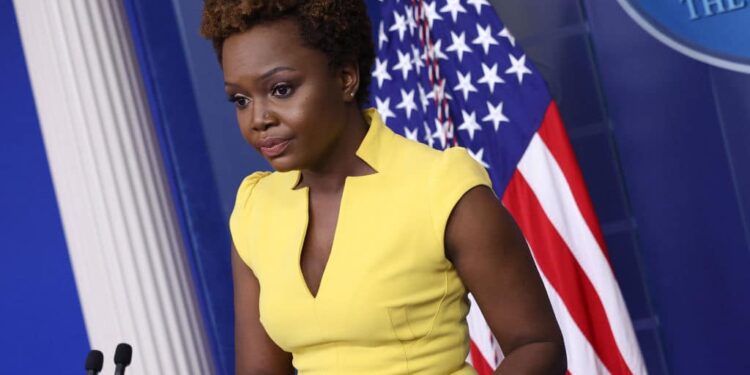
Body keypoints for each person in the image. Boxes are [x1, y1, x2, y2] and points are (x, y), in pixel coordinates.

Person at [200, 1, 565, 374]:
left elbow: (537, 345)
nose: (258, 119)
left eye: (280, 89)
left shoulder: (441, 188)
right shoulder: (254, 208)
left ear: (345, 78)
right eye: (240, 100)